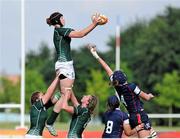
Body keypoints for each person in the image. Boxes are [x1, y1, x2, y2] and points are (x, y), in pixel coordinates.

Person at [45, 12, 102, 136]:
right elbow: (81, 34)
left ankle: (46, 105)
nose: (64, 19)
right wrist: (94, 24)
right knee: (66, 93)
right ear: (57, 22)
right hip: (64, 65)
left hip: (65, 65)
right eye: (62, 18)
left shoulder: (60, 30)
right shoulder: (61, 31)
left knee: (64, 93)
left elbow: (81, 32)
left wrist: (92, 25)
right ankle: (50, 122)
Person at [88, 44, 157, 138]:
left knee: (152, 135)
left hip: (132, 116)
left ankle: (151, 134)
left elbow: (107, 68)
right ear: (124, 78)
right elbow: (146, 98)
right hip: (139, 116)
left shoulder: (117, 87)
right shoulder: (131, 87)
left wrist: (95, 54)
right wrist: (150, 95)